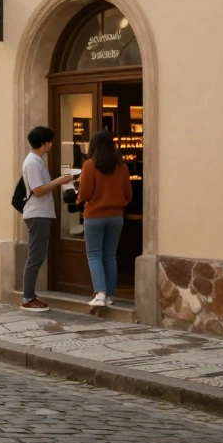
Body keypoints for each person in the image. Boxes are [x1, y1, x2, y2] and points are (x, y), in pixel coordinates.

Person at [19, 126, 74, 312]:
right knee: (36, 256)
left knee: (38, 255)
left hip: (41, 213)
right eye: (50, 141)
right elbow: (38, 190)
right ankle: (28, 297)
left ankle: (30, 296)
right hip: (37, 213)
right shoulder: (33, 162)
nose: (52, 144)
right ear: (45, 143)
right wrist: (59, 181)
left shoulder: (37, 160)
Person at [77, 129, 133, 309]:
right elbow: (129, 195)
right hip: (116, 216)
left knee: (94, 255)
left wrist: (82, 199)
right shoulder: (122, 167)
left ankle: (100, 294)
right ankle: (110, 295)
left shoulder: (89, 166)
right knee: (110, 256)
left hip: (94, 215)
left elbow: (85, 193)